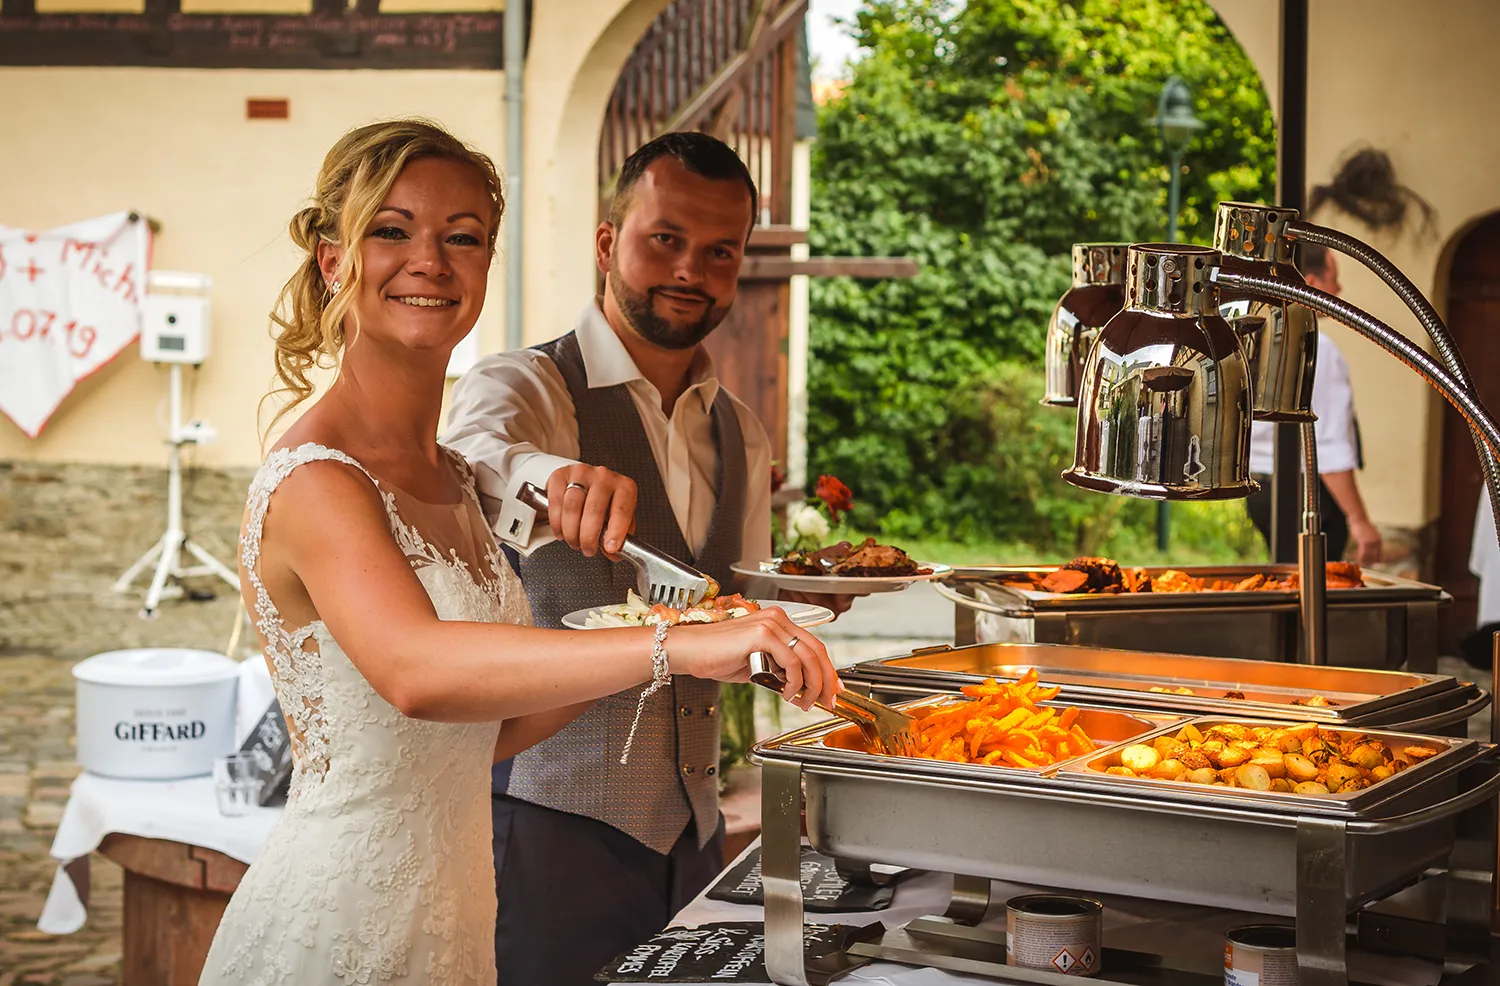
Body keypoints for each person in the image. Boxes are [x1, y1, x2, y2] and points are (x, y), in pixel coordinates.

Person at [198, 120, 837, 986]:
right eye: (392, 230)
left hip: (456, 909)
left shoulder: (455, 480)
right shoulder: (317, 478)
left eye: (462, 238)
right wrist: (674, 641)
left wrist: (672, 635)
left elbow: (490, 731)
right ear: (333, 260)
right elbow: (417, 672)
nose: (430, 260)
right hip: (342, 914)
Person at [444, 132, 842, 986]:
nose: (690, 269)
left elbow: (729, 621)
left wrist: (799, 618)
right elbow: (469, 457)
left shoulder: (739, 427)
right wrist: (551, 478)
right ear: (605, 242)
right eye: (665, 239)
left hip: (694, 832)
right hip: (543, 822)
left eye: (719, 251)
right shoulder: (525, 387)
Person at [1246, 243, 1383, 566]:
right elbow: (1329, 445)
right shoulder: (1316, 347)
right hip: (1306, 494)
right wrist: (1360, 521)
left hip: (1263, 491)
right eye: (1333, 278)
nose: (1339, 289)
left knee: (1287, 584)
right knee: (1312, 588)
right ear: (1309, 283)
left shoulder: (1255, 336)